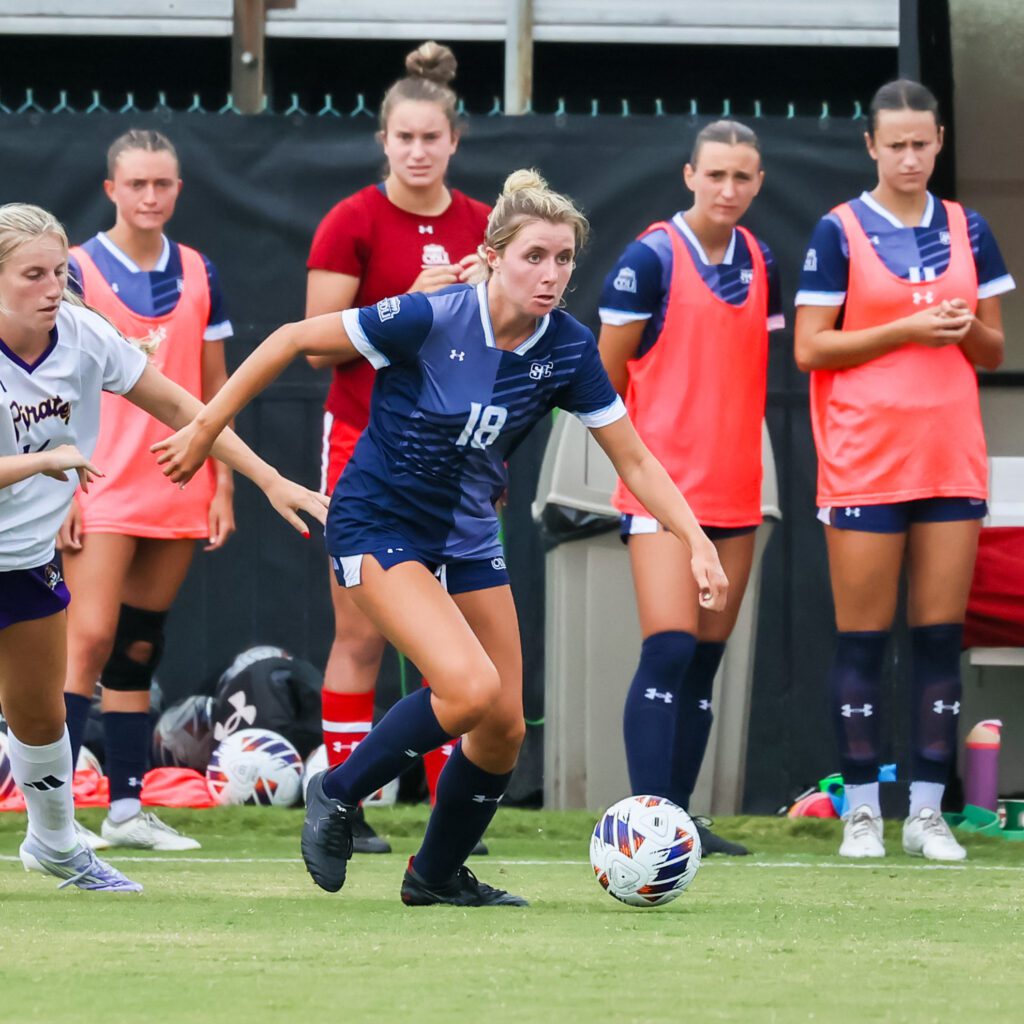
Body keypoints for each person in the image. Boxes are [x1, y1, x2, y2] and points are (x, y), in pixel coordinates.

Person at [153, 169, 730, 906]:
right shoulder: (430, 317)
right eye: (533, 256)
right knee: (467, 689)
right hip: (376, 525)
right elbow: (295, 338)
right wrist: (205, 428)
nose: (550, 274)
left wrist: (696, 541)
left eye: (563, 261)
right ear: (492, 255)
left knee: (504, 730)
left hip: (466, 539)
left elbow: (636, 458)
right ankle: (338, 789)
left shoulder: (568, 348)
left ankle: (434, 875)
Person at [0, 202, 327, 891]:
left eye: (60, 270)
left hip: (22, 561)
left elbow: (186, 409)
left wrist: (267, 479)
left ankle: (56, 844)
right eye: (33, 274)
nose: (53, 286)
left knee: (37, 714)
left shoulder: (86, 337)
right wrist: (41, 462)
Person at [794, 80, 1013, 861]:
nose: (911, 157)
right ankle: (861, 810)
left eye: (923, 144)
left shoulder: (968, 226)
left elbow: (994, 348)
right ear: (872, 148)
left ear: (940, 142)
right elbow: (810, 346)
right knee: (862, 642)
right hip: (864, 461)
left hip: (951, 459)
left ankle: (927, 812)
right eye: (897, 145)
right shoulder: (839, 230)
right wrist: (905, 328)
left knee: (936, 639)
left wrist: (956, 332)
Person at [305, 41, 490, 851]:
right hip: (362, 443)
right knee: (361, 633)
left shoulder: (484, 225)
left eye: (432, 137)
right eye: (404, 137)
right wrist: (403, 303)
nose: (418, 150)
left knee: (452, 635)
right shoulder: (353, 220)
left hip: (455, 459)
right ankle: (352, 807)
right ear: (382, 139)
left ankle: (452, 813)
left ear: (454, 140)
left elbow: (500, 343)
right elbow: (316, 347)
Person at [598, 120, 784, 856]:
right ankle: (647, 824)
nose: (728, 190)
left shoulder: (762, 258)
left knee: (706, 656)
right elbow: (604, 380)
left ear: (759, 182)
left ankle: (681, 822)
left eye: (742, 177)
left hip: (737, 492)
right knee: (669, 650)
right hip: (661, 497)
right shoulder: (650, 258)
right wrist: (640, 471)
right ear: (689, 176)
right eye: (716, 176)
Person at [57, 130, 235, 852]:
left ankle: (126, 810)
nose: (151, 196)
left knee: (136, 647)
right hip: (97, 482)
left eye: (163, 184)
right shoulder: (72, 269)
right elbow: (54, 382)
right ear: (111, 190)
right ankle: (57, 815)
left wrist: (222, 482)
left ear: (178, 190)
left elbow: (216, 388)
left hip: (177, 482)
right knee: (86, 640)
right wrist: (62, 481)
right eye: (137, 185)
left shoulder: (199, 270)